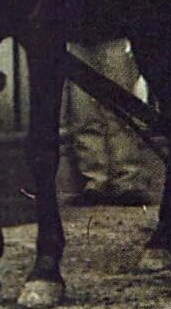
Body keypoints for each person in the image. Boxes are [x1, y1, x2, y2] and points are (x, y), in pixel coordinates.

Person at [59, 39, 153, 207]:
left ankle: (128, 179)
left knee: (120, 107)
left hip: (114, 32)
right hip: (78, 35)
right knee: (84, 111)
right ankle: (95, 180)